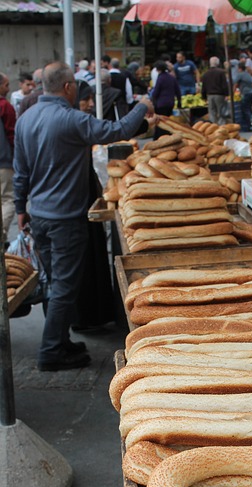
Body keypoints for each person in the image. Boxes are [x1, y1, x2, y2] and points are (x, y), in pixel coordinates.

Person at [13, 61, 154, 371]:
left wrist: (21, 208)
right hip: (65, 218)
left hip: (39, 215)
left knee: (54, 282)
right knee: (64, 286)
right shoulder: (71, 119)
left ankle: (61, 342)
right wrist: (142, 105)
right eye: (75, 86)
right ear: (67, 87)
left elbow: (20, 171)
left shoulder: (26, 119)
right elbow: (117, 130)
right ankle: (51, 351)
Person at [71, 80, 114, 332]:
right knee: (82, 265)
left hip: (82, 199)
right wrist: (142, 111)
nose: (89, 104)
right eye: (85, 99)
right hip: (75, 205)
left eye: (90, 99)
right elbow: (114, 130)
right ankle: (83, 319)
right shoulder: (74, 121)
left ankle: (91, 317)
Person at [0, 72, 16, 244]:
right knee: (8, 199)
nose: (8, 88)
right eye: (5, 85)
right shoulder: (5, 106)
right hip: (4, 162)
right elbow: (12, 135)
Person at [151, 60, 181, 139]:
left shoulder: (160, 78)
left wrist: (152, 101)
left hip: (161, 104)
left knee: (160, 122)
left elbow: (156, 92)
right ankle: (167, 135)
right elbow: (178, 90)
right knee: (167, 121)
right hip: (170, 103)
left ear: (158, 69)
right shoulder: (171, 77)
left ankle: (160, 137)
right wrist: (179, 101)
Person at [201, 56, 229, 125]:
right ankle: (221, 127)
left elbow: (203, 86)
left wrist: (204, 96)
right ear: (218, 63)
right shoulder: (221, 72)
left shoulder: (205, 74)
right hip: (219, 95)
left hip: (210, 95)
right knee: (221, 112)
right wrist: (226, 94)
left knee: (212, 112)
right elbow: (224, 84)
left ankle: (213, 126)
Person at [233, 61, 252, 132]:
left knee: (245, 109)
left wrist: (232, 94)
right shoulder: (247, 74)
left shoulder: (240, 75)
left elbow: (235, 84)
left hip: (246, 93)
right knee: (249, 109)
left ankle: (249, 125)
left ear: (239, 68)